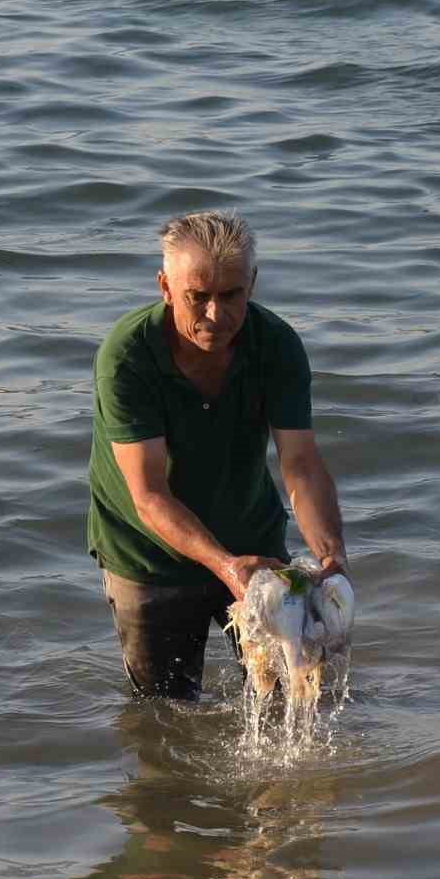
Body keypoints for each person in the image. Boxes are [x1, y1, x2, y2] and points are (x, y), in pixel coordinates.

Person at [86, 210, 349, 700]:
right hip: (148, 556)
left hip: (251, 537)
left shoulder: (276, 346)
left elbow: (302, 464)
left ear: (252, 283)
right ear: (165, 287)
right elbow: (147, 494)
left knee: (289, 692)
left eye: (231, 296)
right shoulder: (127, 357)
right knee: (164, 713)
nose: (215, 315)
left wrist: (331, 552)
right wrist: (226, 566)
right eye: (197, 297)